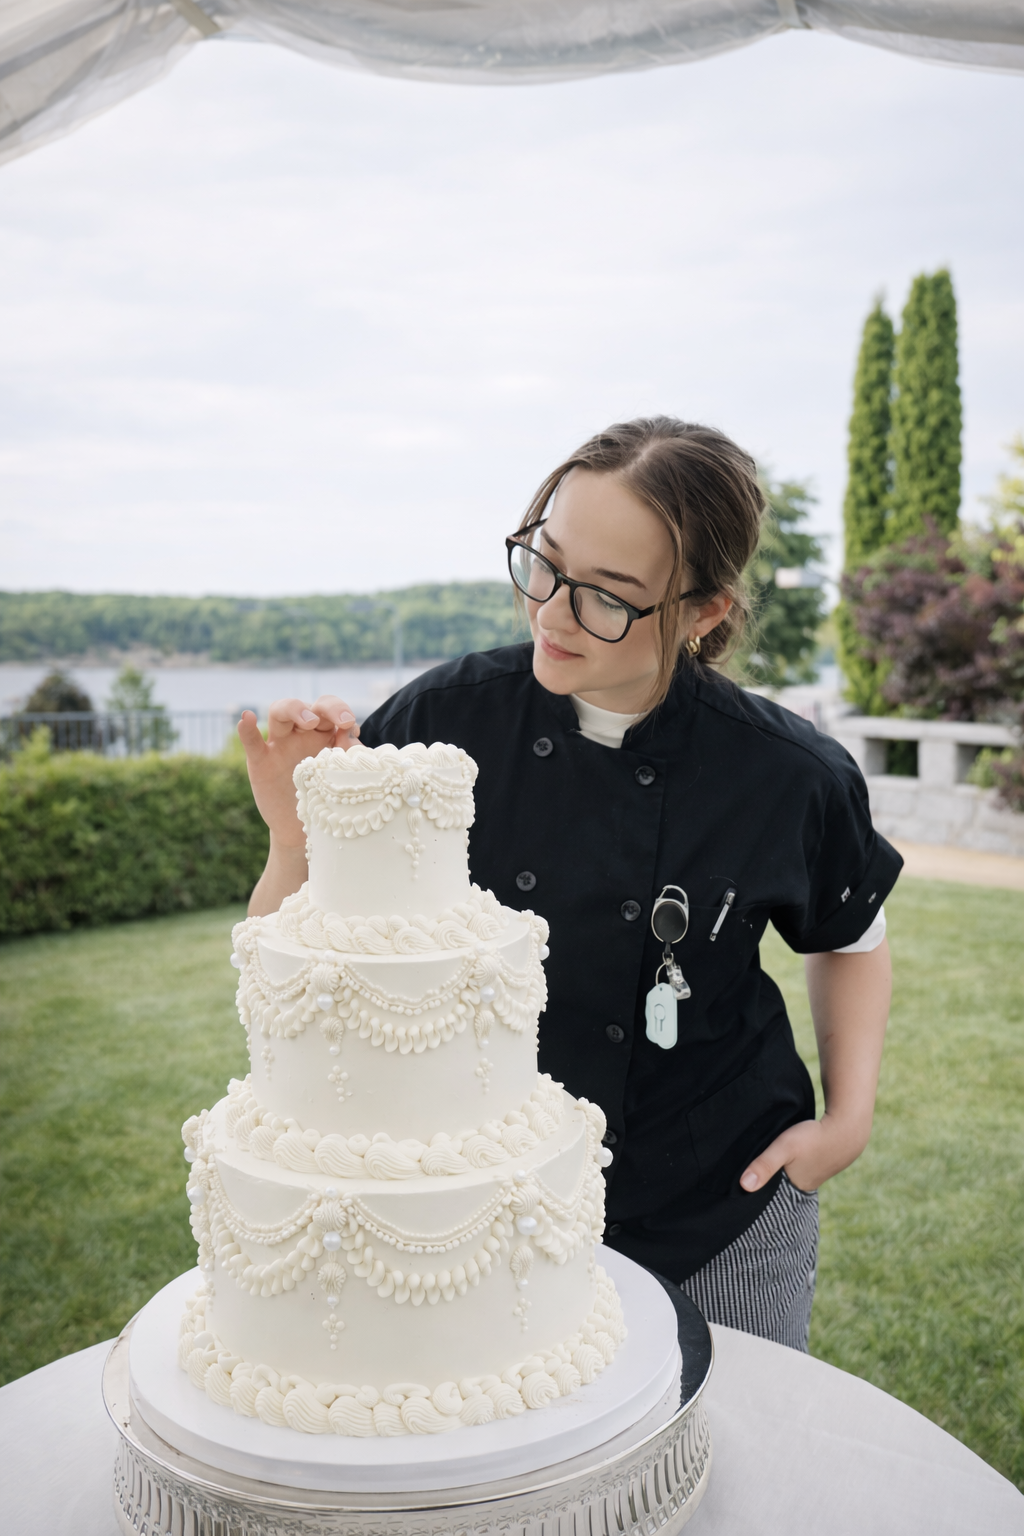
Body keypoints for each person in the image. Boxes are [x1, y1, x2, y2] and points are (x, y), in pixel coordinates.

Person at [239, 416, 898, 1353]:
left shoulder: (789, 774)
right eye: (543, 563)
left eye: (607, 597)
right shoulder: (437, 722)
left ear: (704, 612)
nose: (550, 612)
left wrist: (850, 1119)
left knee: (724, 1456)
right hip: (482, 1216)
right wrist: (294, 837)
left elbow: (849, 938)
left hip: (722, 1203)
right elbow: (290, 978)